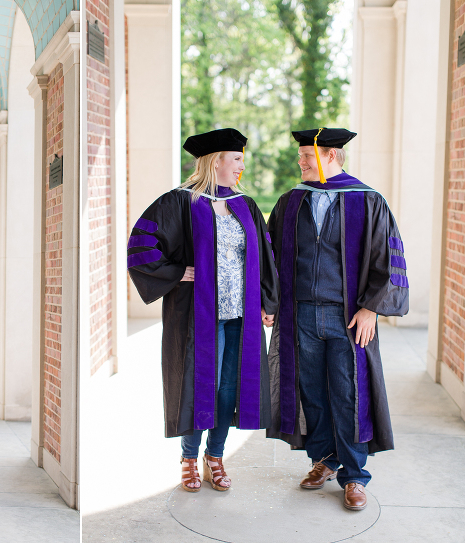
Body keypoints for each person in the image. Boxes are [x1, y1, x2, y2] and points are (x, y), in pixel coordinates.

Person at [127, 128, 279, 492]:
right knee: (199, 385)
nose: (243, 165)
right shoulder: (180, 202)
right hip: (197, 315)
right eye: (237, 158)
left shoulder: (246, 205)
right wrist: (178, 271)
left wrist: (267, 301)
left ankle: (216, 456)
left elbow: (265, 254)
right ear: (217, 161)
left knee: (228, 388)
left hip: (239, 314)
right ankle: (190, 459)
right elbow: (141, 246)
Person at [266, 128, 409, 511]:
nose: (301, 162)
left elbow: (388, 258)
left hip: (348, 317)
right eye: (300, 156)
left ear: (331, 156)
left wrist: (371, 308)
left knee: (349, 394)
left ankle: (355, 476)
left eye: (307, 157)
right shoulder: (292, 200)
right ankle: (325, 460)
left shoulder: (367, 200)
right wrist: (271, 301)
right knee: (311, 391)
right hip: (302, 314)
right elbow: (272, 254)